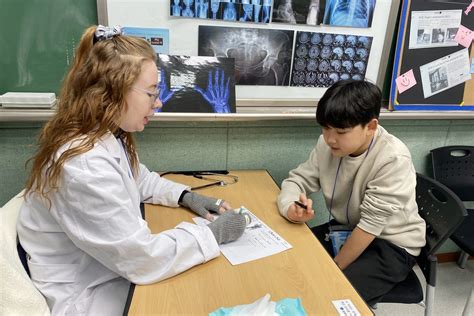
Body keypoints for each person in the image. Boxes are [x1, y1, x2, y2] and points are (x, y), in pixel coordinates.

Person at [17, 25, 249, 315]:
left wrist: (186, 197)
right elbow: (143, 260)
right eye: (151, 93)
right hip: (85, 291)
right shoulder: (83, 164)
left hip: (105, 267)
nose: (158, 103)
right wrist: (213, 234)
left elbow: (138, 178)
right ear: (111, 92)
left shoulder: (102, 134)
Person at [277, 80, 426, 306]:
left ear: (371, 126)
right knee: (286, 259)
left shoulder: (392, 158)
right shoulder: (327, 145)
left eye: (341, 131)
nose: (330, 139)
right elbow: (297, 180)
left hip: (391, 245)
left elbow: (370, 226)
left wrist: (332, 269)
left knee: (328, 295)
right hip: (348, 229)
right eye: (325, 128)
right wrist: (290, 208)